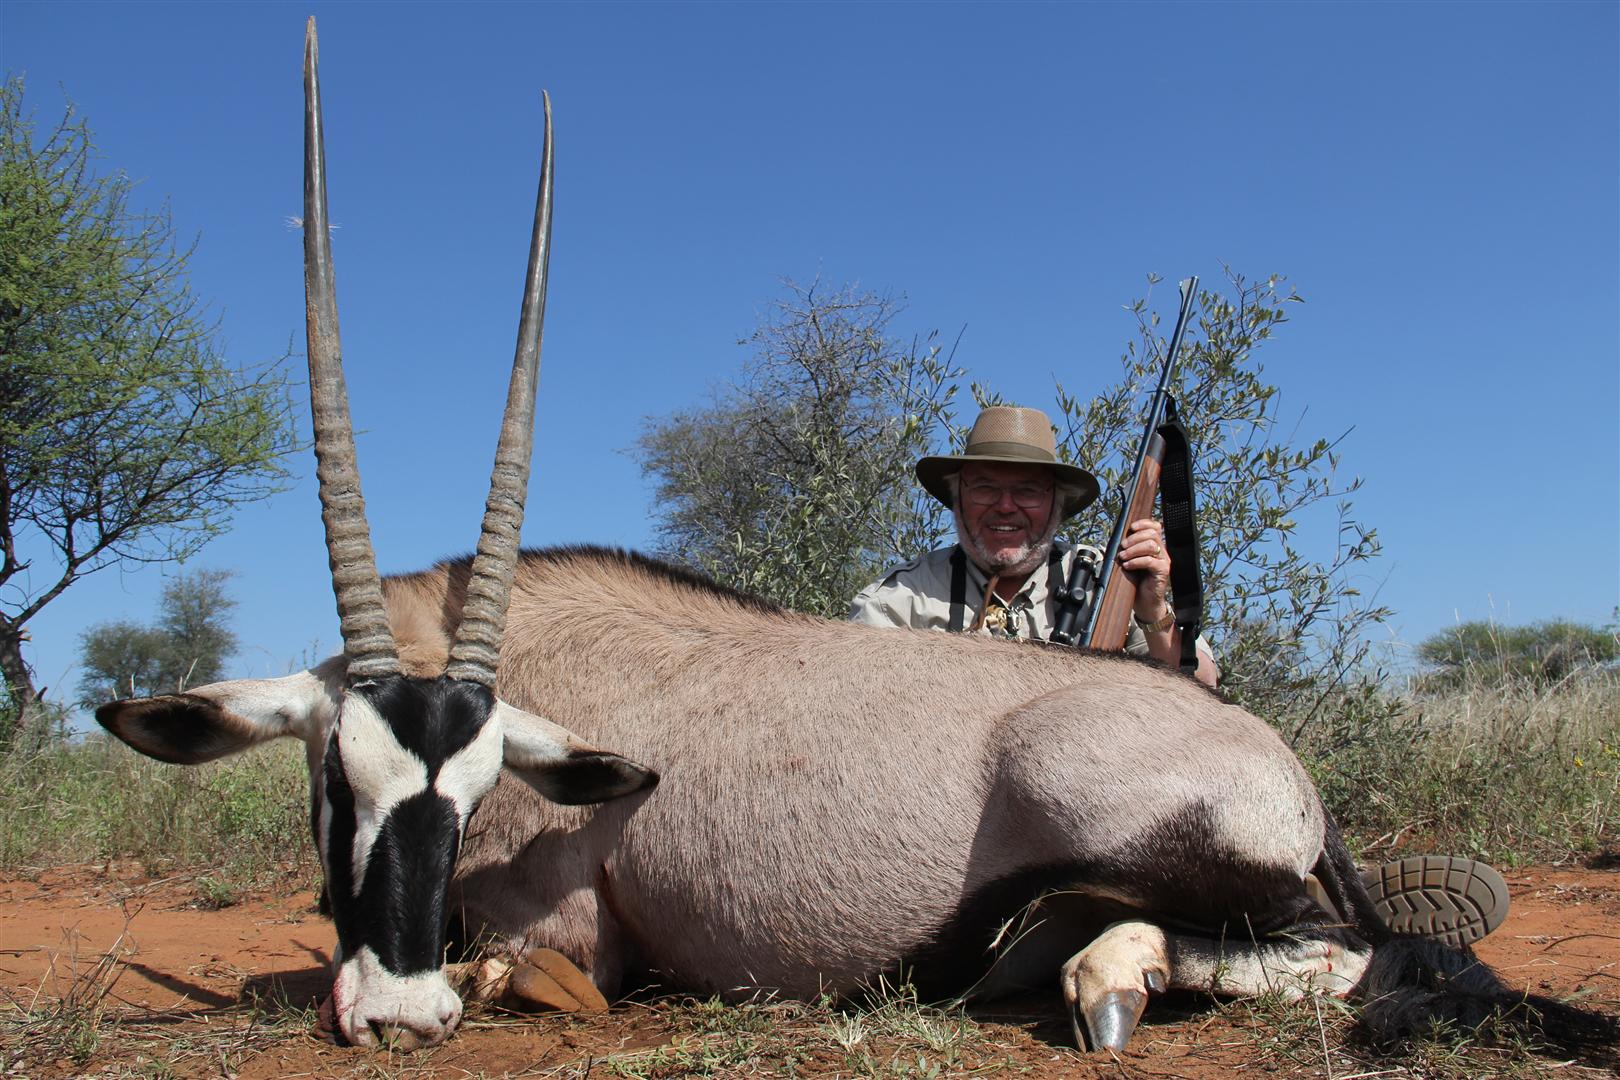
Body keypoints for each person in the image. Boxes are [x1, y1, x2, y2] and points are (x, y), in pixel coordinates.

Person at [850, 405, 1508, 945]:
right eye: (985, 488)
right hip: (958, 827)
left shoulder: (1109, 576)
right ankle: (1308, 896)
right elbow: (858, 723)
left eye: (1026, 490)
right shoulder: (901, 597)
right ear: (957, 498)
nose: (1005, 506)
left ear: (1056, 505)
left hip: (1099, 811)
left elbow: (1201, 701)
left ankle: (1288, 896)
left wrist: (1157, 610)